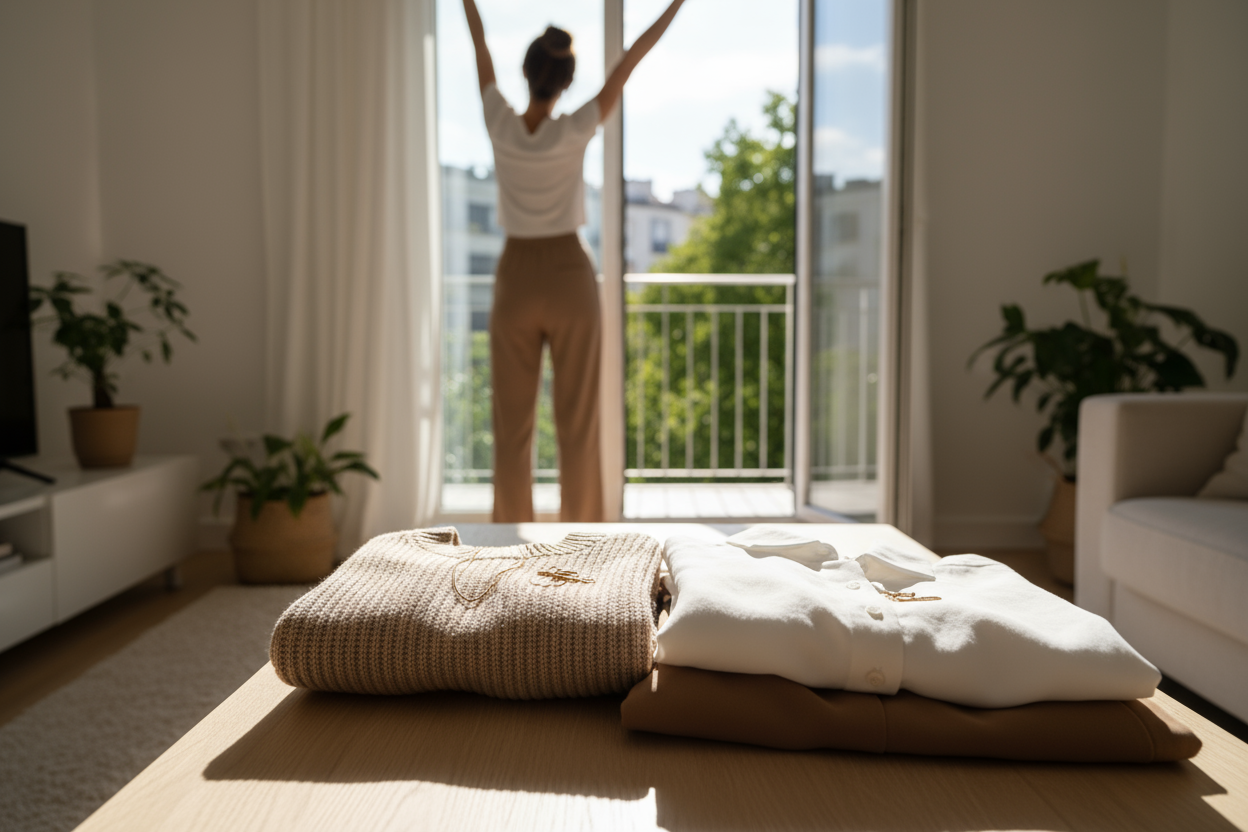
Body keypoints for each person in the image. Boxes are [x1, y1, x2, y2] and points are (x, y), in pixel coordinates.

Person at [462, 0, 688, 522]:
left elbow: (479, 42)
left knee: (512, 425)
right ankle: (584, 547)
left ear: (525, 73)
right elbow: (630, 59)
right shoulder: (575, 127)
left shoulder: (499, 121)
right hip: (568, 274)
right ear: (565, 81)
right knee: (578, 423)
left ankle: (504, 547)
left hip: (516, 276)